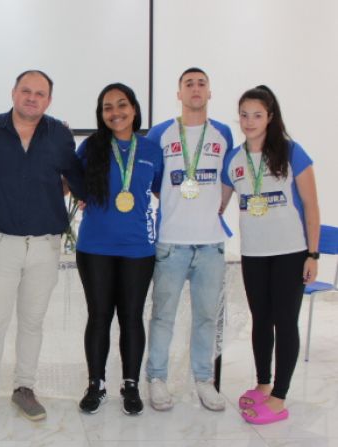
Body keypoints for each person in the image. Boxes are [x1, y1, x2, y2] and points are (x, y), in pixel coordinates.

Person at [0, 70, 84, 429]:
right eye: (25, 90)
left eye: (39, 93)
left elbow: (75, 178)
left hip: (45, 245)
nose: (32, 97)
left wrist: (92, 195)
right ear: (13, 92)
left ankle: (24, 388)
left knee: (32, 322)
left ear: (48, 100)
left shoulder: (59, 134)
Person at [220, 85, 320, 424]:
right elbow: (216, 206)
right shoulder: (234, 159)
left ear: (270, 117)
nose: (249, 122)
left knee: (284, 321)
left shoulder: (292, 153)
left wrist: (313, 254)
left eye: (257, 115)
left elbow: (311, 206)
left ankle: (279, 396)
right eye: (244, 115)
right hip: (254, 254)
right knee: (260, 320)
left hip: (290, 253)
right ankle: (263, 384)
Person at [145, 67, 233, 411]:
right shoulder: (160, 134)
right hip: (171, 243)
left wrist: (220, 202)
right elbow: (151, 180)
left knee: (207, 316)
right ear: (178, 93)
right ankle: (157, 378)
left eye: (202, 84)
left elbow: (229, 175)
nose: (195, 89)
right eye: (188, 84)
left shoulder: (223, 132)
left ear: (210, 93)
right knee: (163, 315)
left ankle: (203, 380)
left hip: (210, 245)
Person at [75, 83, 163, 415]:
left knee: (131, 317)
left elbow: (160, 191)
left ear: (134, 109)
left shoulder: (152, 150)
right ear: (101, 115)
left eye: (121, 105)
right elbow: (72, 181)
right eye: (107, 107)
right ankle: (96, 384)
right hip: (95, 246)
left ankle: (131, 385)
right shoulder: (91, 147)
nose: (115, 112)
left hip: (138, 248)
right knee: (99, 316)